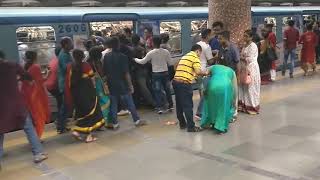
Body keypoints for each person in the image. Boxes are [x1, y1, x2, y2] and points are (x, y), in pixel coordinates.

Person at [0, 50, 47, 166]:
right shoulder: (12, 65)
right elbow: (27, 76)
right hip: (17, 105)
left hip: (1, 107)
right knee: (29, 128)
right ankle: (38, 154)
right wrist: (27, 81)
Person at [103, 37, 146, 129]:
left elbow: (105, 71)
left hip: (111, 83)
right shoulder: (123, 57)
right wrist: (130, 85)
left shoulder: (106, 56)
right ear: (118, 45)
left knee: (113, 104)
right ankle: (136, 120)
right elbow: (126, 73)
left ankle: (115, 123)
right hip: (122, 84)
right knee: (130, 102)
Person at [64, 49, 105, 143]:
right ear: (82, 56)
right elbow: (92, 78)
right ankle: (89, 136)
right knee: (91, 113)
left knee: (81, 113)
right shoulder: (86, 65)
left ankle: (76, 131)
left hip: (76, 94)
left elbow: (69, 82)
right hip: (88, 92)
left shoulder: (70, 66)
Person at [173, 44, 208, 132]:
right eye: (200, 53)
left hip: (176, 82)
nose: (200, 55)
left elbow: (180, 67)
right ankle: (191, 127)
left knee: (179, 104)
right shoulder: (195, 57)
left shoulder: (185, 56)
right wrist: (207, 73)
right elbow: (198, 71)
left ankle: (182, 124)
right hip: (184, 84)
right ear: (197, 51)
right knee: (188, 105)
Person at [135, 36, 174, 114]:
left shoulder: (151, 53)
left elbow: (143, 61)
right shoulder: (166, 52)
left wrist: (135, 59)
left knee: (157, 91)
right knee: (167, 90)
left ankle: (159, 107)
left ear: (153, 43)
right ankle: (170, 105)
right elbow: (170, 63)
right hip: (165, 73)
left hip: (156, 74)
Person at [200, 65, 238, 134]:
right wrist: (234, 101)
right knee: (224, 106)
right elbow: (235, 88)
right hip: (226, 86)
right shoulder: (232, 71)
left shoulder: (212, 67)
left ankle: (212, 123)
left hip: (213, 85)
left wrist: (204, 92)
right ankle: (221, 127)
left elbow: (204, 77)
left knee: (212, 105)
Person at [21, 51, 51, 138]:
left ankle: (34, 138)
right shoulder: (35, 67)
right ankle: (36, 138)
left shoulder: (27, 67)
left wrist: (44, 74)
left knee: (33, 117)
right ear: (35, 57)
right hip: (35, 96)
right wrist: (48, 74)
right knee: (39, 117)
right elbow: (40, 81)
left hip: (27, 95)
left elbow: (34, 78)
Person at [238, 30, 261, 115]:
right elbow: (242, 55)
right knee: (243, 87)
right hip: (244, 67)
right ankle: (244, 106)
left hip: (252, 68)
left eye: (246, 36)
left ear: (251, 37)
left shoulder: (253, 46)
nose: (244, 37)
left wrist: (242, 57)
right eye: (244, 35)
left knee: (251, 87)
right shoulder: (245, 46)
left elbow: (251, 58)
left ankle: (252, 107)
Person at [87, 46, 111, 123]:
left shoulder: (88, 63)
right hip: (98, 85)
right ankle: (104, 119)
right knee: (105, 101)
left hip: (92, 86)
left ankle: (100, 119)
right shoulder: (96, 63)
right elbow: (101, 74)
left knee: (98, 102)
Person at [195, 29, 214, 119]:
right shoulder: (207, 46)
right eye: (211, 35)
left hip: (197, 70)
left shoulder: (197, 44)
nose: (212, 36)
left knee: (201, 91)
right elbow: (210, 61)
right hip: (204, 71)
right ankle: (200, 112)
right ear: (207, 36)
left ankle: (203, 110)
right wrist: (216, 55)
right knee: (205, 93)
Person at [131, 34, 155, 108]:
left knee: (143, 88)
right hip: (145, 69)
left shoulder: (132, 49)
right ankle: (156, 100)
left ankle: (153, 103)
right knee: (148, 85)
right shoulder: (142, 49)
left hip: (138, 70)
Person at [57, 37, 74, 134]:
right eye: (71, 43)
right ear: (66, 44)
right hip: (65, 84)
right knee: (65, 106)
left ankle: (62, 125)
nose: (72, 44)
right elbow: (65, 68)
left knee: (66, 106)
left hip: (66, 83)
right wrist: (74, 64)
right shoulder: (63, 55)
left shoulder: (66, 53)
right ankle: (60, 126)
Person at [46, 48, 62, 120]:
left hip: (49, 85)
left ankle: (60, 118)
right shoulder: (60, 61)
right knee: (61, 102)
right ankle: (60, 119)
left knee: (60, 101)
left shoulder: (52, 60)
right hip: (55, 85)